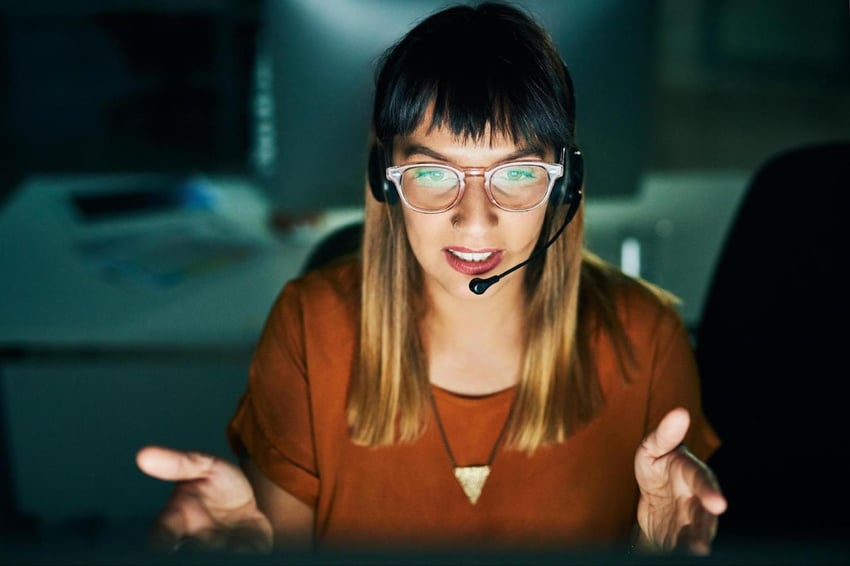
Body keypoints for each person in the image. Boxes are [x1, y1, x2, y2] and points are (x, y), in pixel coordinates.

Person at [136, 1, 726, 557]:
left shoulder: (647, 339)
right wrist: (254, 552)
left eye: (517, 172)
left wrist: (653, 552)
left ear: (563, 185)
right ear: (384, 179)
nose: (474, 220)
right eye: (432, 173)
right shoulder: (308, 328)